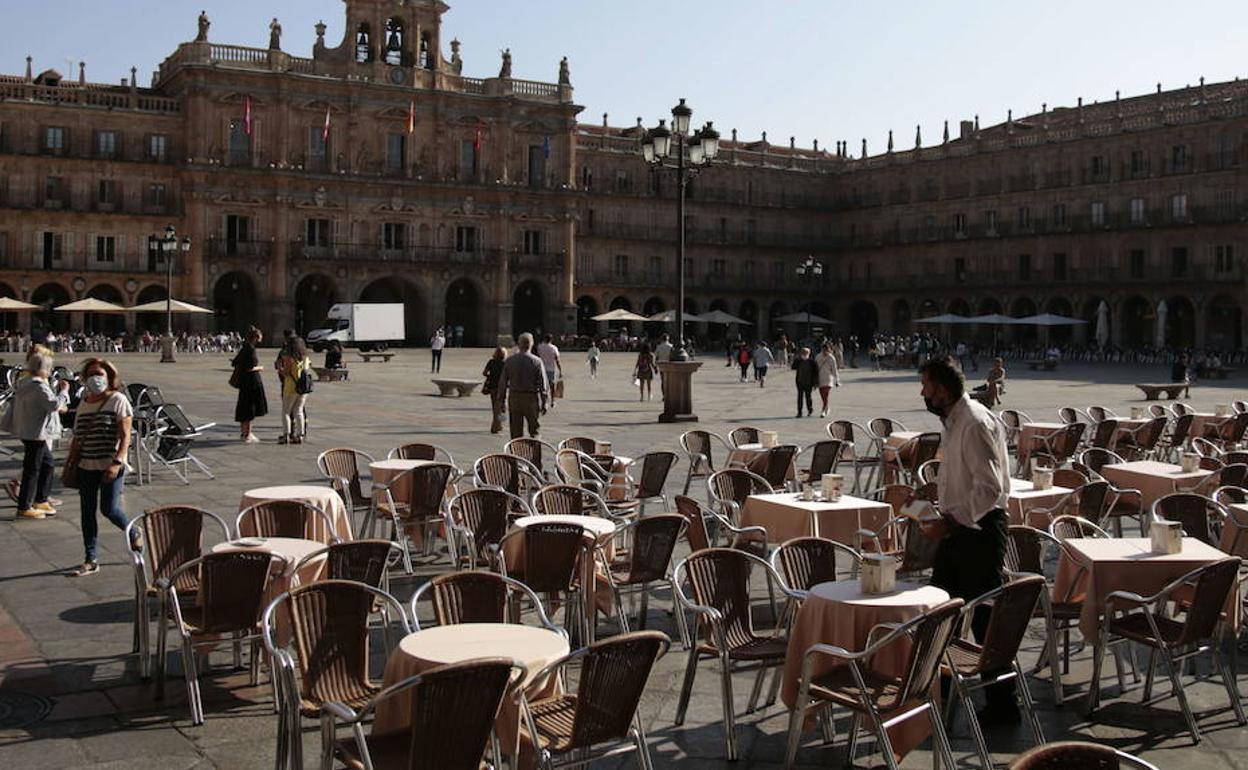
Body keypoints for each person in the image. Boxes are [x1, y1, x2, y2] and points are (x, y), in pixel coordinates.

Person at [918, 356, 1015, 725]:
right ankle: (938, 690)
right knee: (940, 610)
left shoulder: (973, 423)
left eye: (926, 386)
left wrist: (952, 522)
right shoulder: (956, 420)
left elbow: (989, 488)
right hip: (962, 529)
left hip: (978, 532)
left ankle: (1003, 703)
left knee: (984, 618)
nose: (922, 393)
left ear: (942, 389)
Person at [68, 358, 140, 577]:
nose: (95, 378)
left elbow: (126, 435)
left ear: (109, 377)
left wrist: (118, 461)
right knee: (86, 513)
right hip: (86, 465)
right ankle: (90, 559)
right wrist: (71, 462)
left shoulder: (118, 400)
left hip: (110, 465)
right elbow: (78, 436)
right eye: (90, 374)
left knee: (109, 509)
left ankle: (133, 531)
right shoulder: (84, 401)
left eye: (99, 374)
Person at [3, 350, 70, 519]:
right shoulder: (38, 386)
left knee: (47, 465)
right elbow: (54, 405)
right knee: (32, 468)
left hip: (29, 430)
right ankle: (24, 506)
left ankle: (41, 499)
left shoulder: (24, 382)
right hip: (37, 432)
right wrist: (64, 391)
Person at [499, 333, 548, 439]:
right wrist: (544, 402)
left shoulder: (510, 361)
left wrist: (501, 401)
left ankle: (516, 453)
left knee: (516, 432)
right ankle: (535, 453)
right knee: (534, 430)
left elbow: (503, 383)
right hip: (530, 398)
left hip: (514, 397)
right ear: (531, 344)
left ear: (518, 344)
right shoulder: (537, 361)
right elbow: (543, 384)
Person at [232, 326, 268, 443]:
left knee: (243, 407)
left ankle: (243, 433)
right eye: (260, 336)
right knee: (250, 408)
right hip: (251, 382)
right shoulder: (251, 349)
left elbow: (234, 362)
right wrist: (260, 367)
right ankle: (248, 434)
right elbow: (250, 367)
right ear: (256, 337)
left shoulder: (244, 348)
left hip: (243, 383)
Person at [278, 337, 312, 444]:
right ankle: (300, 435)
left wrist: (280, 368)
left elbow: (286, 373)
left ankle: (286, 435)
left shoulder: (289, 357)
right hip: (303, 387)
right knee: (299, 410)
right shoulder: (305, 357)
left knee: (286, 412)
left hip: (290, 387)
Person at [482, 346, 507, 434]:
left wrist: (490, 376)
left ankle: (496, 425)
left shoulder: (491, 362)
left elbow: (484, 372)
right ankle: (499, 425)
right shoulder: (505, 363)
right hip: (502, 388)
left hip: (492, 387)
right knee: (502, 407)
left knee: (495, 407)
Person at [814, 341, 842, 418]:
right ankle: (827, 407)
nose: (824, 351)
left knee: (826, 395)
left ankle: (823, 410)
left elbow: (834, 369)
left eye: (826, 350)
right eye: (823, 350)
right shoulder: (818, 357)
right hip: (820, 378)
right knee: (822, 395)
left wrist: (837, 380)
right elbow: (815, 368)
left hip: (828, 378)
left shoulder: (831, 358)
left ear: (829, 349)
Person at [535, 333, 562, 406]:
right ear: (551, 340)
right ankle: (552, 401)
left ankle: (544, 401)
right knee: (552, 385)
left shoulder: (540, 347)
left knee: (542, 386)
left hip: (541, 368)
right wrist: (560, 370)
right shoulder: (553, 348)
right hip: (551, 369)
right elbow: (557, 359)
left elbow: (537, 357)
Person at [791, 346, 818, 418]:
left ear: (809, 354)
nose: (804, 354)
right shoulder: (798, 360)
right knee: (800, 397)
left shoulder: (812, 362)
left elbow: (816, 373)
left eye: (806, 353)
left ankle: (810, 409)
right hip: (800, 381)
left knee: (808, 397)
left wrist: (815, 383)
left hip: (809, 382)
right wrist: (796, 359)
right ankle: (799, 412)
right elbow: (793, 367)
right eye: (803, 353)